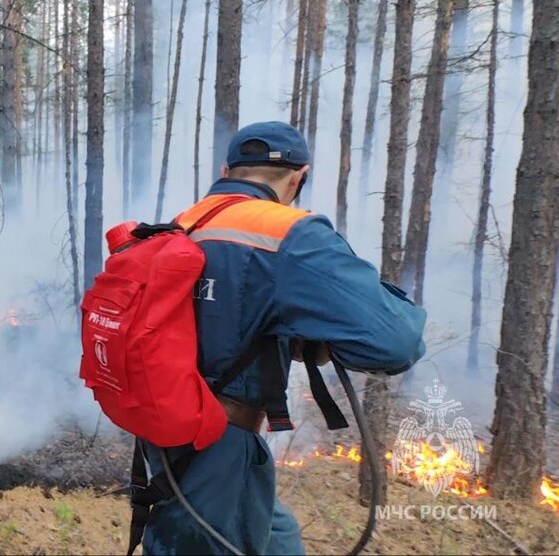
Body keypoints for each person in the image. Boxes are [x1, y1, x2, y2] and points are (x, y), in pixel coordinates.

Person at [138, 121, 427, 555]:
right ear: (300, 177)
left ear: (226, 170)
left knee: (278, 539)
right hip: (221, 447)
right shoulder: (288, 234)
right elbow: (397, 340)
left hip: (164, 435)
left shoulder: (182, 224)